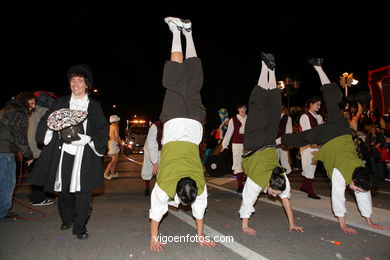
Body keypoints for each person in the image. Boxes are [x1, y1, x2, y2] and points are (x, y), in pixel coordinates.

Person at [282, 58, 387, 234]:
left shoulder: (362, 173)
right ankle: (279, 140)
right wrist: (342, 224)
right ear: (355, 180)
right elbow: (338, 197)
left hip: (342, 129)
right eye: (355, 187)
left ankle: (318, 67)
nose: (353, 190)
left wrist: (370, 222)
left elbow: (364, 194)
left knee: (331, 100)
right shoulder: (342, 172)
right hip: (330, 136)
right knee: (301, 138)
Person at [149, 17, 216, 252]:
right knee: (175, 77)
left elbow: (198, 213)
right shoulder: (166, 184)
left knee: (194, 80)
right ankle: (175, 31)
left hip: (195, 124)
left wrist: (200, 235)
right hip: (176, 122)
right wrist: (153, 238)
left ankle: (187, 32)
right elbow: (155, 214)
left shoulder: (199, 183)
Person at [28, 64, 109, 239]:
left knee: (83, 192)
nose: (76, 84)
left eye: (80, 80)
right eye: (73, 81)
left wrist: (88, 139)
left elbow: (102, 129)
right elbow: (47, 121)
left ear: (86, 84)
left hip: (85, 154)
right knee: (64, 190)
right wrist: (52, 127)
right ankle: (66, 218)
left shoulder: (94, 106)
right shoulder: (60, 102)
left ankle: (79, 226)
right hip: (63, 152)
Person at [239, 52, 304, 235]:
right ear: (271, 182)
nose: (273, 196)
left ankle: (270, 69)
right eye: (275, 193)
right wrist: (244, 226)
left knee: (272, 108)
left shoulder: (281, 179)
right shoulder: (260, 180)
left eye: (275, 194)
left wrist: (292, 223)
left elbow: (286, 201)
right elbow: (248, 200)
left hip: (267, 140)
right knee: (260, 105)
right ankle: (264, 66)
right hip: (255, 142)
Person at [0, 92, 34, 220]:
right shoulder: (19, 113)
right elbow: (20, 136)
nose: (32, 107)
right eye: (31, 104)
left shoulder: (6, 109)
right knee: (7, 183)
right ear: (25, 102)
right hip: (5, 151)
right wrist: (28, 155)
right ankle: (3, 212)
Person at [27, 91, 57, 206]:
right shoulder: (44, 111)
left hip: (32, 145)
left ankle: (36, 196)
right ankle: (38, 199)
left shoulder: (33, 111)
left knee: (36, 171)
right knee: (42, 172)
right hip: (40, 146)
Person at [299, 95, 323, 199]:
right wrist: (313, 147)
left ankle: (304, 186)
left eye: (320, 105)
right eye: (317, 104)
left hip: (315, 145)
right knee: (309, 167)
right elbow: (308, 133)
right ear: (311, 105)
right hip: (308, 146)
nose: (319, 106)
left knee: (311, 167)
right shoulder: (305, 116)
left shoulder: (317, 116)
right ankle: (310, 191)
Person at [221, 104, 247, 193]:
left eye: (244, 108)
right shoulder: (233, 119)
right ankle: (240, 185)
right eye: (240, 108)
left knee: (248, 163)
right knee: (238, 164)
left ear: (246, 109)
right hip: (236, 144)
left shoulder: (250, 119)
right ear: (238, 109)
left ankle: (248, 184)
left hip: (248, 144)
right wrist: (224, 145)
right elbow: (229, 133)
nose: (242, 109)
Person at [141, 120, 163, 196]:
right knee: (147, 168)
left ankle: (160, 190)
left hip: (162, 150)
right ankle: (147, 188)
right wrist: (155, 162)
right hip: (149, 149)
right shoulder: (155, 126)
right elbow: (152, 144)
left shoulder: (171, 124)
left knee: (161, 171)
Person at [276, 106, 293, 174]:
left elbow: (289, 131)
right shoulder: (272, 117)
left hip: (283, 142)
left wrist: (287, 142)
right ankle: (275, 179)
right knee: (274, 161)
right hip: (273, 143)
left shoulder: (287, 118)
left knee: (284, 162)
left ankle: (286, 179)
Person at [104, 115, 121, 180]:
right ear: (115, 121)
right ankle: (106, 173)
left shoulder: (110, 127)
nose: (118, 122)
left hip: (110, 143)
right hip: (114, 143)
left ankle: (113, 173)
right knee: (113, 160)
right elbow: (117, 136)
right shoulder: (116, 127)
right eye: (117, 120)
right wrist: (121, 145)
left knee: (115, 160)